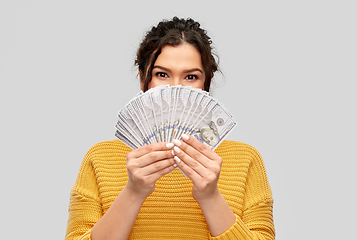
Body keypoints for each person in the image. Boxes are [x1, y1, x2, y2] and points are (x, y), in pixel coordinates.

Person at [65, 17, 275, 240]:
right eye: (162, 74)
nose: (175, 88)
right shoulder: (100, 159)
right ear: (143, 78)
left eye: (191, 77)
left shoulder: (245, 160)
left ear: (206, 84)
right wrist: (133, 192)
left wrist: (210, 196)